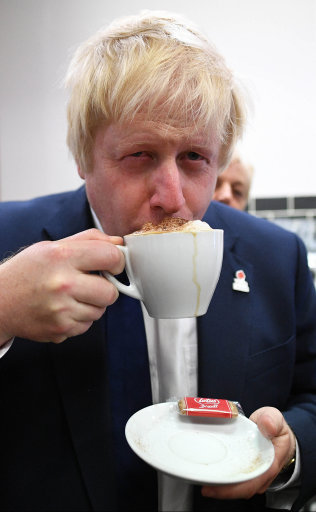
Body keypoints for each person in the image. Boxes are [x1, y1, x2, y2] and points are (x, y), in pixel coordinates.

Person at [0, 10, 316, 512]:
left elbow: (311, 393)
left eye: (195, 157)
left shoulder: (278, 257)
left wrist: (289, 449)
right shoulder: (9, 242)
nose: (173, 198)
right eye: (139, 155)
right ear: (84, 158)